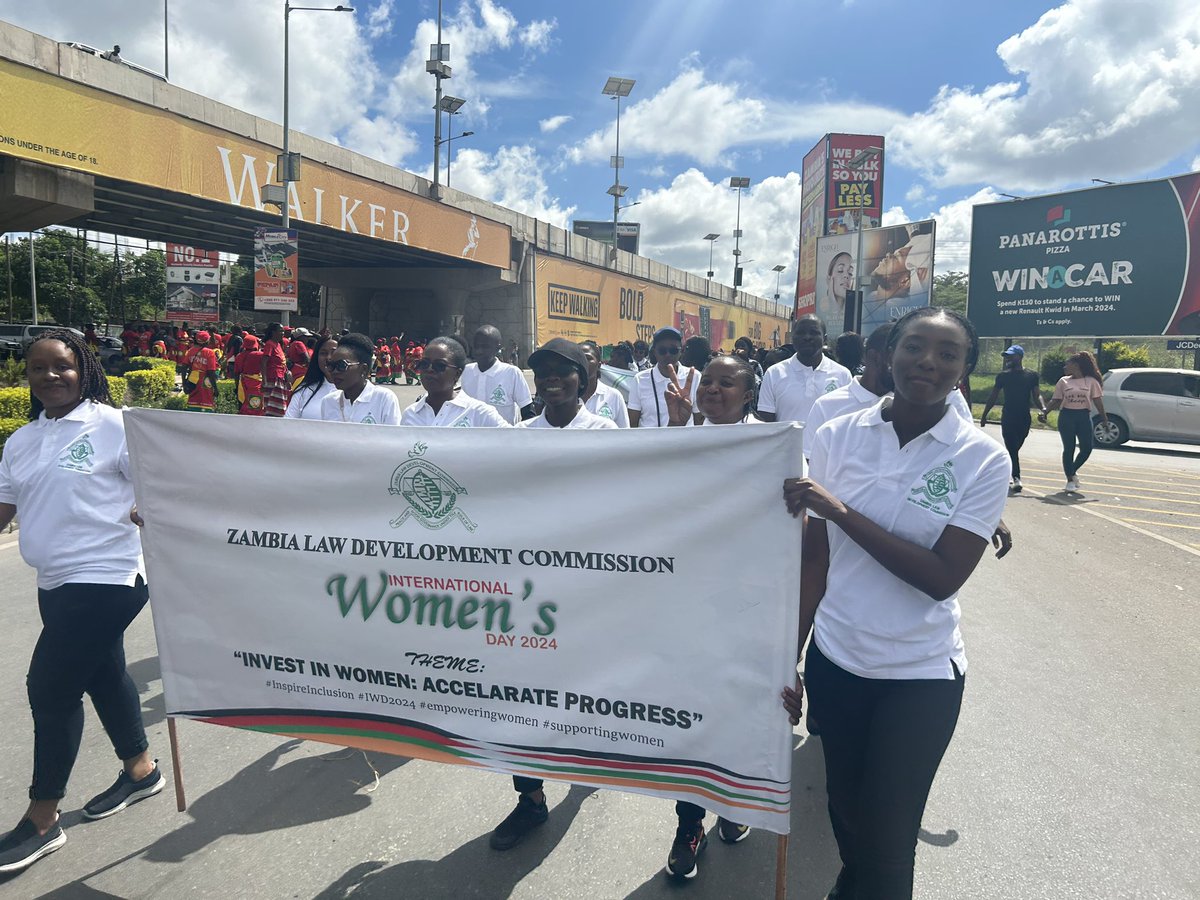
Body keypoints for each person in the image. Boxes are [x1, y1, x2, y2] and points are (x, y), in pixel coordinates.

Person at [780, 308, 1010, 900]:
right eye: (914, 346)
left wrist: (841, 512)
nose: (927, 361)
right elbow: (815, 560)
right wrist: (791, 657)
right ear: (887, 355)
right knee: (847, 815)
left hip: (920, 674)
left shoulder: (982, 458)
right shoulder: (836, 435)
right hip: (838, 662)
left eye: (947, 353)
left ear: (964, 371)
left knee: (888, 844)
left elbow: (940, 578)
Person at [0, 330, 163, 875]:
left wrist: (149, 511)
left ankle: (42, 820)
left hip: (111, 577)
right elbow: (4, 507)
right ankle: (141, 770)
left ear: (84, 368)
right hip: (55, 582)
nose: (50, 376)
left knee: (49, 687)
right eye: (37, 368)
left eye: (62, 366)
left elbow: (159, 488)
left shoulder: (114, 425)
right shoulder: (20, 440)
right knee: (103, 673)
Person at [757, 316, 852, 425]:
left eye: (814, 333)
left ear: (824, 339)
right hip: (788, 443)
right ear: (792, 338)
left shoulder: (843, 375)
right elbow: (766, 422)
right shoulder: (774, 373)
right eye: (801, 333)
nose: (807, 337)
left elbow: (847, 421)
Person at [400, 337, 510, 428]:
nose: (430, 369)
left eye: (439, 365)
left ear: (457, 374)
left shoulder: (480, 413)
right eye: (424, 363)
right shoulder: (410, 414)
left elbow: (515, 441)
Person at [981, 345, 1046, 492]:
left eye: (1011, 356)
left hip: (1024, 417)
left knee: (1015, 447)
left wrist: (1043, 409)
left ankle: (1003, 470)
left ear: (1020, 357)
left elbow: (1037, 395)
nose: (1008, 358)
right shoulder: (1003, 376)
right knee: (1012, 448)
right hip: (1008, 416)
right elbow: (993, 395)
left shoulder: (1031, 376)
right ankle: (1016, 478)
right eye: (1006, 356)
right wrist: (985, 415)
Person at [1040, 351, 1108, 492]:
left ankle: (1072, 470)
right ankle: (1070, 480)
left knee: (1087, 448)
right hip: (1067, 416)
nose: (1065, 367)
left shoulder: (1091, 381)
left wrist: (1104, 420)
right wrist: (1045, 411)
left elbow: (1098, 402)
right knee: (1069, 448)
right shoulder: (1063, 381)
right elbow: (1056, 400)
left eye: (1068, 364)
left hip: (1083, 416)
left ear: (1076, 365)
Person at [519, 339, 617, 430]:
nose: (552, 377)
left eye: (563, 370)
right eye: (543, 371)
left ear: (581, 380)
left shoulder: (604, 429)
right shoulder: (522, 432)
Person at [318, 333, 401, 425]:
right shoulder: (328, 402)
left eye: (341, 365)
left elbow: (393, 438)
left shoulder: (383, 399)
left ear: (363, 369)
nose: (334, 371)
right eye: (331, 365)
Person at [628, 327, 701, 428]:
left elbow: (699, 420)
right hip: (651, 443)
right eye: (662, 350)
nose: (668, 355)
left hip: (684, 442)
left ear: (681, 351)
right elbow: (632, 423)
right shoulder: (640, 379)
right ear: (654, 352)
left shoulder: (694, 377)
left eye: (673, 350)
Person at [461, 325, 535, 424]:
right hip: (470, 437)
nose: (479, 351)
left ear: (498, 348)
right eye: (476, 346)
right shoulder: (465, 372)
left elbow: (528, 412)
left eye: (485, 347)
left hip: (503, 438)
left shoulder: (512, 373)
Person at [285, 335, 338, 420]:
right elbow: (287, 423)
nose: (328, 358)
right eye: (323, 353)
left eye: (334, 353)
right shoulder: (304, 390)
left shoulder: (354, 392)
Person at [579, 340, 629, 427]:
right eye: (579, 359)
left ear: (598, 365)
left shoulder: (614, 396)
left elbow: (624, 433)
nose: (583, 363)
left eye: (588, 358)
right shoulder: (565, 396)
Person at [182, 330, 220, 412]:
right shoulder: (210, 353)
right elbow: (211, 372)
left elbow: (184, 367)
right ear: (207, 340)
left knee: (193, 402)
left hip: (192, 380)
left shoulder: (190, 351)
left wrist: (184, 383)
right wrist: (215, 388)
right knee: (206, 403)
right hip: (205, 382)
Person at [260, 323, 290, 417]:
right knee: (273, 409)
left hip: (281, 378)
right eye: (280, 331)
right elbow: (263, 362)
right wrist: (264, 380)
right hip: (273, 379)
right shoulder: (269, 344)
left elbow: (283, 364)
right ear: (273, 332)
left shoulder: (278, 345)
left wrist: (288, 379)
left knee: (279, 408)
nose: (283, 333)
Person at [234, 335, 266, 415]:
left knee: (243, 406)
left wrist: (237, 386)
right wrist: (263, 345)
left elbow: (236, 373)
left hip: (243, 383)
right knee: (256, 408)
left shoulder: (239, 356)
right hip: (256, 383)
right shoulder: (260, 355)